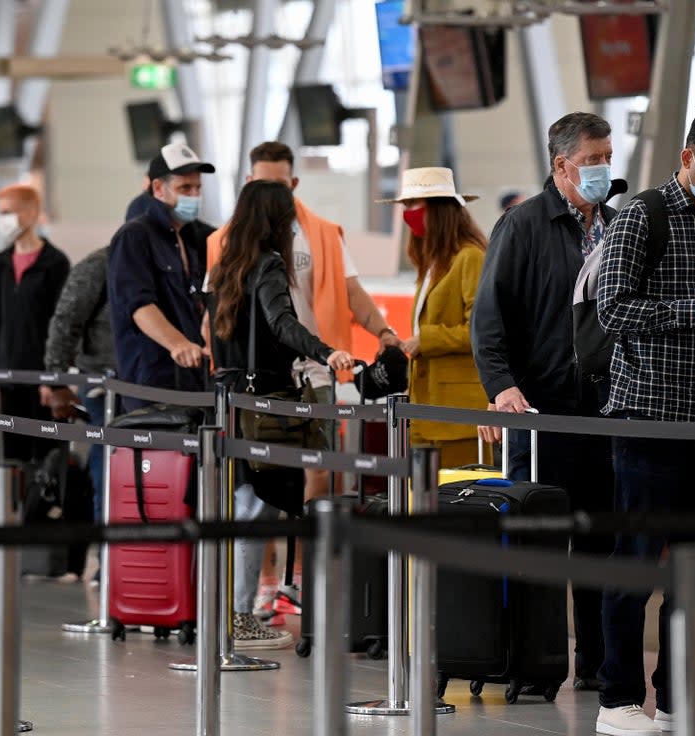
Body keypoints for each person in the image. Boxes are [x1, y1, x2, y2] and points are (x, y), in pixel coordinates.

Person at [594, 107, 695, 736]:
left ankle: (675, 698)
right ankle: (615, 699)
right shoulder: (641, 214)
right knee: (635, 563)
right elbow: (613, 309)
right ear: (689, 157)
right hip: (648, 415)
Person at [471, 112, 625, 692]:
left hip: (607, 411)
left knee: (600, 540)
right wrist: (502, 386)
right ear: (561, 165)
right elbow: (489, 318)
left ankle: (596, 662)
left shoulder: (616, 224)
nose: (603, 169)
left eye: (608, 156)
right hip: (541, 413)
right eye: (592, 160)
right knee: (536, 540)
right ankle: (531, 664)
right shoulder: (523, 226)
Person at [205, 180, 354, 649]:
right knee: (257, 503)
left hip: (227, 395)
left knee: (243, 501)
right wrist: (325, 350)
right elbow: (282, 323)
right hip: (261, 401)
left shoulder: (226, 265)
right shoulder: (267, 264)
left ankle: (228, 611)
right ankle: (239, 615)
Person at [212, 141, 402, 497]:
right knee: (263, 478)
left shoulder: (324, 234)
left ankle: (307, 552)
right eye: (262, 187)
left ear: (294, 184)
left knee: (318, 467)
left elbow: (352, 293)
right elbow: (224, 317)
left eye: (279, 187)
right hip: (262, 377)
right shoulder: (223, 242)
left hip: (315, 372)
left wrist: (383, 331)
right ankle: (280, 550)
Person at [378, 166, 485, 465]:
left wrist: (425, 340)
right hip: (423, 409)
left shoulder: (470, 257)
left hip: (458, 415)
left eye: (413, 204)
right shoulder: (431, 261)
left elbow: (479, 331)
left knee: (457, 501)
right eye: (404, 205)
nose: (407, 212)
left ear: (439, 209)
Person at [108, 143, 216, 407]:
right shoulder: (134, 236)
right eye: (184, 188)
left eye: (197, 188)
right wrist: (178, 344)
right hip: (153, 383)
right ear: (158, 188)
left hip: (194, 379)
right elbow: (138, 304)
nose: (194, 196)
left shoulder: (193, 238)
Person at [0, 183, 71, 463]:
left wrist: (52, 379)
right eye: (0, 213)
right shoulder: (1, 263)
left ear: (31, 214)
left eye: (9, 212)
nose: (3, 219)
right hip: (9, 379)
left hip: (42, 381)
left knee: (45, 457)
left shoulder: (55, 263)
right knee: (11, 458)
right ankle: (10, 508)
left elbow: (61, 325)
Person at [43, 245, 117, 523]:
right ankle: (106, 557)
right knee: (104, 473)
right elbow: (65, 320)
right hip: (102, 386)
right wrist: (57, 380)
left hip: (147, 384)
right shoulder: (100, 264)